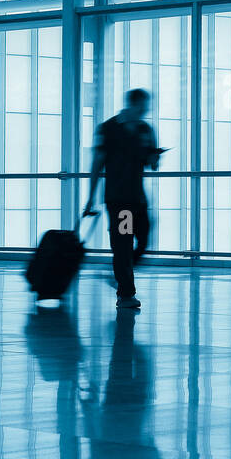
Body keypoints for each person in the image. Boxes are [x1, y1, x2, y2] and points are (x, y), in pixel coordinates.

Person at [82, 88, 164, 309]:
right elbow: (97, 164)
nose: (146, 111)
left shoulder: (145, 129)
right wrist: (91, 197)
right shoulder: (108, 129)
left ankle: (121, 277)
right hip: (120, 201)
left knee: (144, 239)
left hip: (138, 199)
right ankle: (126, 293)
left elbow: (152, 164)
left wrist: (155, 158)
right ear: (132, 105)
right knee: (124, 244)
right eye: (143, 107)